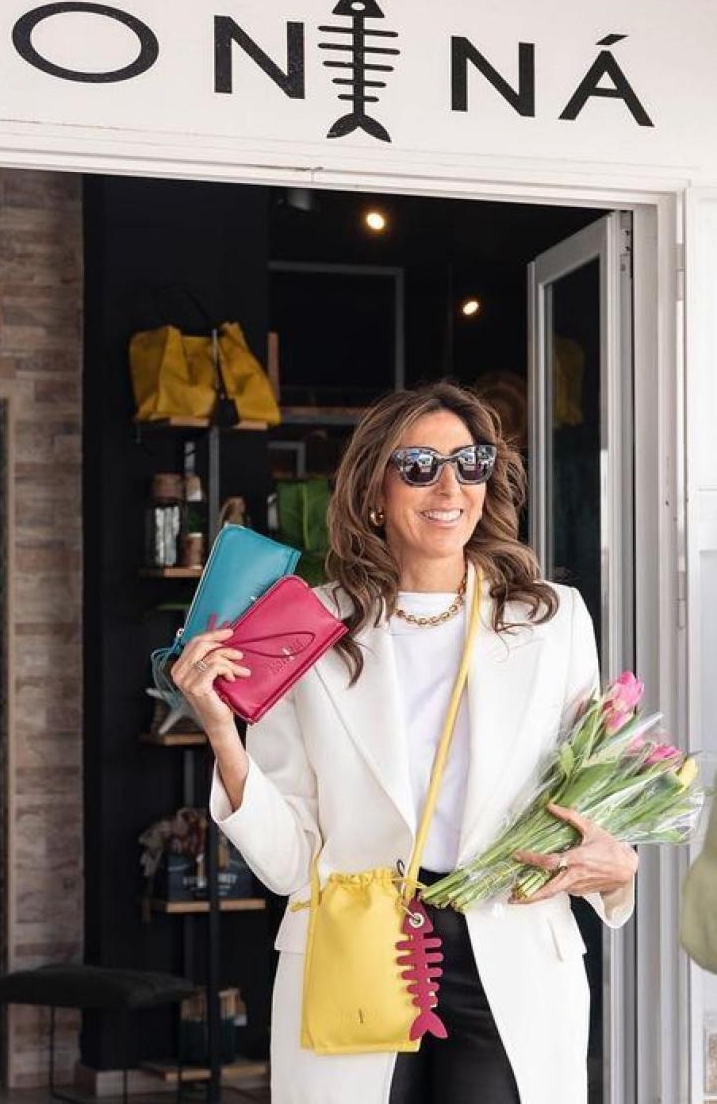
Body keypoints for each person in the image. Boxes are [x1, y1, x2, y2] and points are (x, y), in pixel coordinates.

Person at [171, 382, 638, 1104]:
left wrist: (614, 864)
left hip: (510, 946)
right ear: (371, 491)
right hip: (352, 954)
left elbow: (582, 788)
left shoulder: (552, 621)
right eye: (418, 465)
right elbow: (290, 860)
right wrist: (218, 728)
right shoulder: (308, 625)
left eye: (469, 462)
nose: (448, 486)